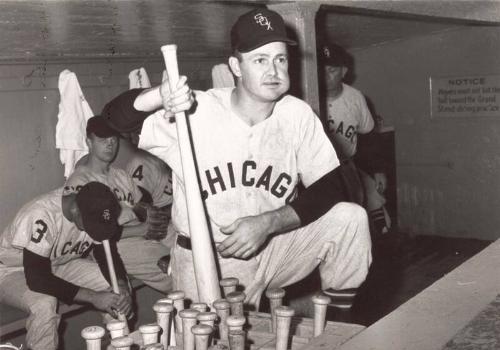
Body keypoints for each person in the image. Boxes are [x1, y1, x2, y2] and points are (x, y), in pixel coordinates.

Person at [102, 8, 372, 315]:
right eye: (260, 60)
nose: (274, 71)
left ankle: (336, 328)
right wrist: (158, 96)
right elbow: (111, 118)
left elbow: (332, 187)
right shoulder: (196, 109)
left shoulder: (296, 114)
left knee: (350, 219)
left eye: (280, 59)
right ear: (236, 66)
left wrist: (269, 222)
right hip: (208, 259)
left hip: (272, 246)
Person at [0, 182, 132, 350]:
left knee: (112, 285)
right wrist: (94, 297)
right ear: (75, 210)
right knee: (44, 304)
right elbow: (37, 278)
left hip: (57, 263)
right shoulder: (41, 214)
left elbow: (106, 254)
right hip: (13, 271)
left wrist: (122, 285)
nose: (92, 231)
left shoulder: (93, 205)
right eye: (90, 225)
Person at [63, 116, 172, 293]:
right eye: (102, 139)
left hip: (139, 234)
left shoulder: (120, 174)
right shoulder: (81, 181)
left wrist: (148, 213)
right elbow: (90, 234)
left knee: (189, 247)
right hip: (114, 245)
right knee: (174, 269)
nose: (110, 144)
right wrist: (141, 230)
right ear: (89, 142)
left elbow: (139, 205)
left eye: (113, 139)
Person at [318, 43, 390, 236]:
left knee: (370, 200)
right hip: (317, 168)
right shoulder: (308, 95)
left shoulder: (355, 98)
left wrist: (378, 170)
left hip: (346, 165)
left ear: (343, 71)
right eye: (321, 70)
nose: (325, 75)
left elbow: (369, 135)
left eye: (331, 70)